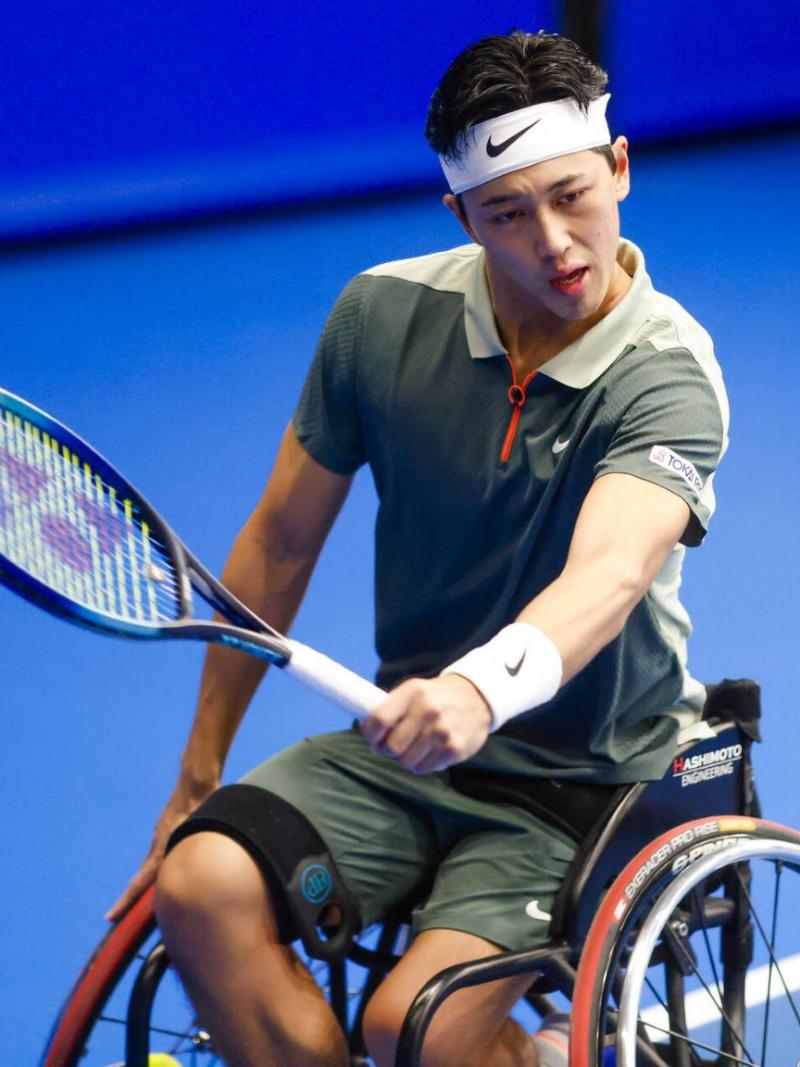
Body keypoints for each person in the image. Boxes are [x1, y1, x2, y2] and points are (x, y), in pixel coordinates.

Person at [107, 28, 728, 1067]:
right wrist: (198, 767)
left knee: (418, 1027)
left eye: (571, 194)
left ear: (618, 166)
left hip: (581, 781)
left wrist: (482, 687)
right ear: (458, 216)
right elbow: (280, 540)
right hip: (401, 749)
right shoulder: (379, 317)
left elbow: (608, 576)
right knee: (199, 881)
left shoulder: (666, 374)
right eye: (505, 213)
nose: (553, 242)